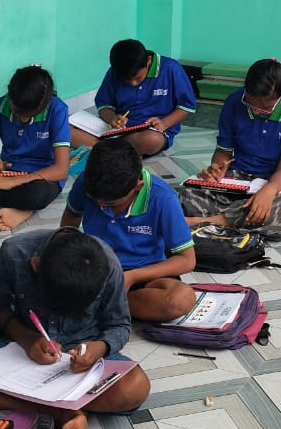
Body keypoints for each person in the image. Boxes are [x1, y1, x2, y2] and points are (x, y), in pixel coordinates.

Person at [0, 229, 150, 429]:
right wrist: (26, 339)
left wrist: (99, 348)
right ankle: (62, 412)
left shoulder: (106, 265)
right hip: (21, 350)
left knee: (135, 387)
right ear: (35, 266)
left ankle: (45, 406)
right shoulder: (15, 253)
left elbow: (119, 325)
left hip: (83, 360)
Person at [179, 59, 281, 241]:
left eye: (265, 108)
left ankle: (206, 222)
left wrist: (269, 191)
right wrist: (217, 168)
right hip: (240, 177)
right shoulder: (234, 101)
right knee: (186, 197)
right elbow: (223, 152)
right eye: (250, 104)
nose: (255, 112)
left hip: (280, 181)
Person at [61, 137, 196, 322]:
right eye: (95, 200)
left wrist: (131, 277)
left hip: (141, 275)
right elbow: (72, 214)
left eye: (111, 203)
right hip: (93, 268)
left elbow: (187, 260)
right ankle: (107, 305)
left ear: (137, 187)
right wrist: (65, 249)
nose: (101, 206)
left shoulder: (163, 198)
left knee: (180, 300)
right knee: (38, 269)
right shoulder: (87, 182)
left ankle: (99, 304)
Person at [70, 40, 196, 157]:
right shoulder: (116, 71)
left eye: (138, 78)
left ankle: (102, 147)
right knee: (65, 129)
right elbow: (104, 104)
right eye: (126, 80)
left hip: (150, 132)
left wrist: (163, 123)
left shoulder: (170, 68)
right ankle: (116, 150)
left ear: (148, 61)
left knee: (152, 140)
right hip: (117, 131)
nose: (133, 84)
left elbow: (187, 106)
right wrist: (112, 118)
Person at [0, 66, 70, 233]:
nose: (22, 119)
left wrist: (12, 183)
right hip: (8, 171)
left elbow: (61, 170)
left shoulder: (57, 109)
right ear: (9, 94)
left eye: (29, 115)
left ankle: (1, 207)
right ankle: (11, 209)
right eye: (17, 112)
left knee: (37, 195)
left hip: (43, 177)